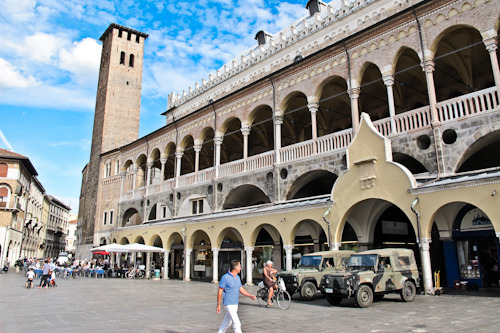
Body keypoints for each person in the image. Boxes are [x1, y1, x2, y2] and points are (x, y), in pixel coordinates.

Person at [216, 259, 256, 333]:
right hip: (228, 304)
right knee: (237, 323)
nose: (240, 268)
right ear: (235, 268)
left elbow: (241, 289)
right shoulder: (225, 278)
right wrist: (218, 305)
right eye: (240, 266)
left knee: (227, 323)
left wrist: (250, 295)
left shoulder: (237, 277)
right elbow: (220, 291)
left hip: (235, 303)